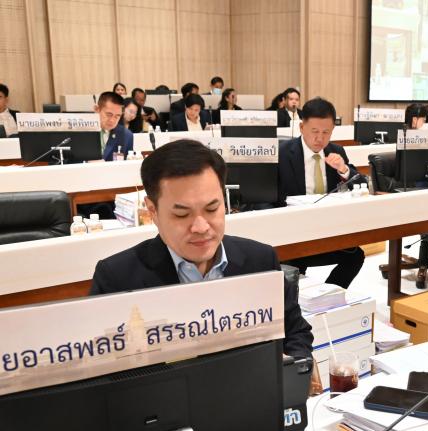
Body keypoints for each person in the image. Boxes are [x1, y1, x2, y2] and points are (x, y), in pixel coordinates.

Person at [87, 139, 317, 387]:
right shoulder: (117, 278)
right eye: (181, 214)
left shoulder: (260, 260)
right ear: (152, 211)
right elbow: (103, 375)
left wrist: (296, 369)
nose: (201, 227)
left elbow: (295, 332)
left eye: (212, 209)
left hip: (252, 397)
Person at [276, 97, 365, 289]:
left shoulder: (336, 151)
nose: (320, 138)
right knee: (292, 267)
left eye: (326, 132)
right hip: (294, 233)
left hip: (327, 231)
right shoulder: (282, 154)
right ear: (302, 127)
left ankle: (327, 295)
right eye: (314, 131)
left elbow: (362, 185)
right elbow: (269, 198)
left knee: (355, 256)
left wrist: (344, 170)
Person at [95, 91, 133, 160]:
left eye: (117, 116)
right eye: (109, 114)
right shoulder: (82, 131)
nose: (112, 120)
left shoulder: (126, 135)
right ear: (97, 109)